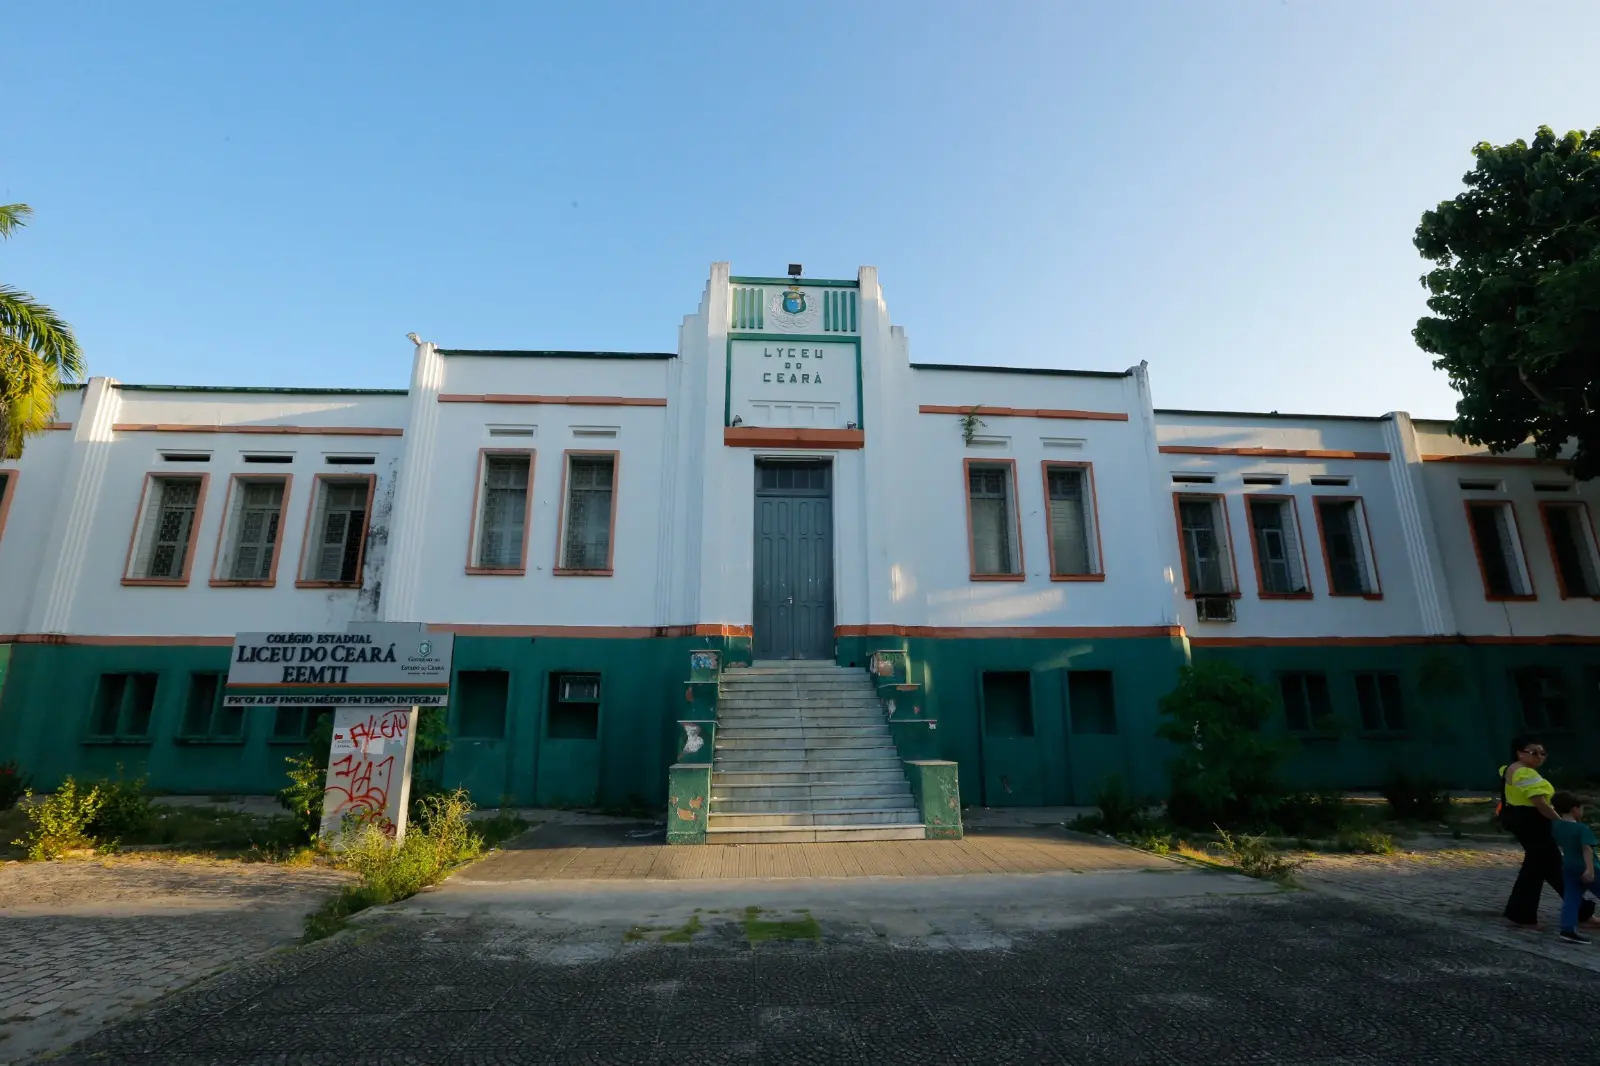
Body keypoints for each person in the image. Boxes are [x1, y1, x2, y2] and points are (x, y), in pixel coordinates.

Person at [1499, 736, 1597, 928]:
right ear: (1520, 753)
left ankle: (1520, 913)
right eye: (1533, 752)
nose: (1539, 757)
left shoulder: (1511, 769)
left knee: (1536, 868)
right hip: (1534, 822)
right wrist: (1561, 823)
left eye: (1542, 753)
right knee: (1553, 867)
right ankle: (1582, 913)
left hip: (1522, 822)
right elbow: (1540, 803)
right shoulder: (1526, 774)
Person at [1551, 792, 1597, 945]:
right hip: (1585, 867)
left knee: (1571, 898)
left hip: (1568, 865)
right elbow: (1586, 849)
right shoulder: (1582, 829)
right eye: (1581, 808)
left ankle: (1567, 930)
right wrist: (1589, 869)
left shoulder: (1556, 826)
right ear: (1574, 809)